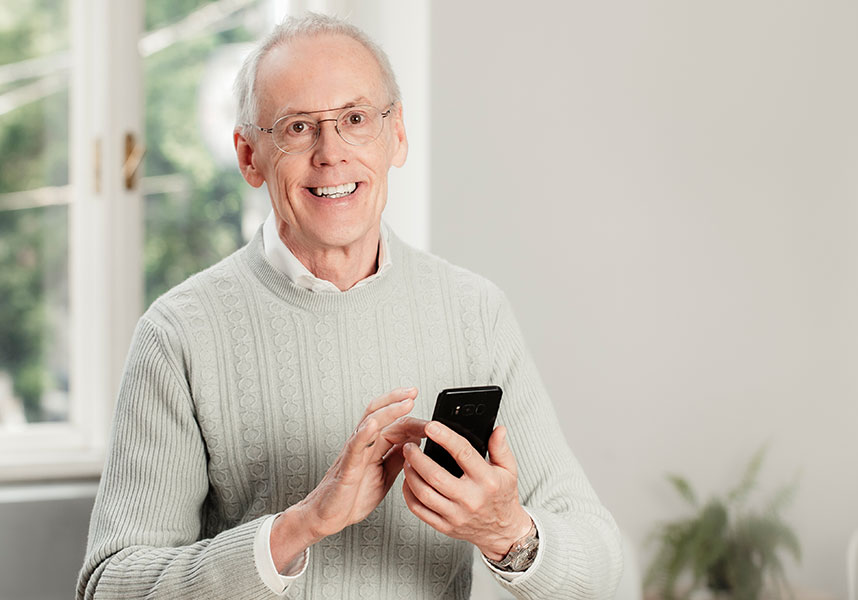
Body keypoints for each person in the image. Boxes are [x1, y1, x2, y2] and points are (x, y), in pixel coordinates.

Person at [78, 12, 622, 600]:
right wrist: (301, 525)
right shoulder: (178, 333)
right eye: (297, 127)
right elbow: (109, 586)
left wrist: (507, 533)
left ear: (398, 136)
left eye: (355, 119)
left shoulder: (473, 312)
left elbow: (598, 562)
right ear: (248, 156)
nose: (330, 153)